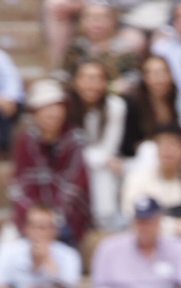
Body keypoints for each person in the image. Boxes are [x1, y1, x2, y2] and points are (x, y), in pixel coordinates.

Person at [10, 78, 92, 246]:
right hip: (32, 218)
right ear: (35, 112)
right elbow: (20, 184)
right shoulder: (26, 140)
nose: (53, 114)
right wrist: (35, 219)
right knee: (11, 247)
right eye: (46, 108)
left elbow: (76, 188)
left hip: (67, 219)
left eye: (57, 107)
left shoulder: (74, 140)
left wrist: (51, 221)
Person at [119, 124, 181, 245]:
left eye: (173, 145)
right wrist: (174, 228)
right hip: (149, 244)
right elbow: (131, 213)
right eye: (162, 145)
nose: (167, 151)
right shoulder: (138, 178)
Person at [66, 56, 126, 232]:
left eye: (98, 78)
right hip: (70, 165)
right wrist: (97, 158)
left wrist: (98, 158)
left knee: (105, 171)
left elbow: (109, 148)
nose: (91, 84)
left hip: (104, 165)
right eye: (86, 78)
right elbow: (70, 149)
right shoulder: (66, 107)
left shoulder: (116, 106)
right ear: (75, 81)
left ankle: (105, 223)